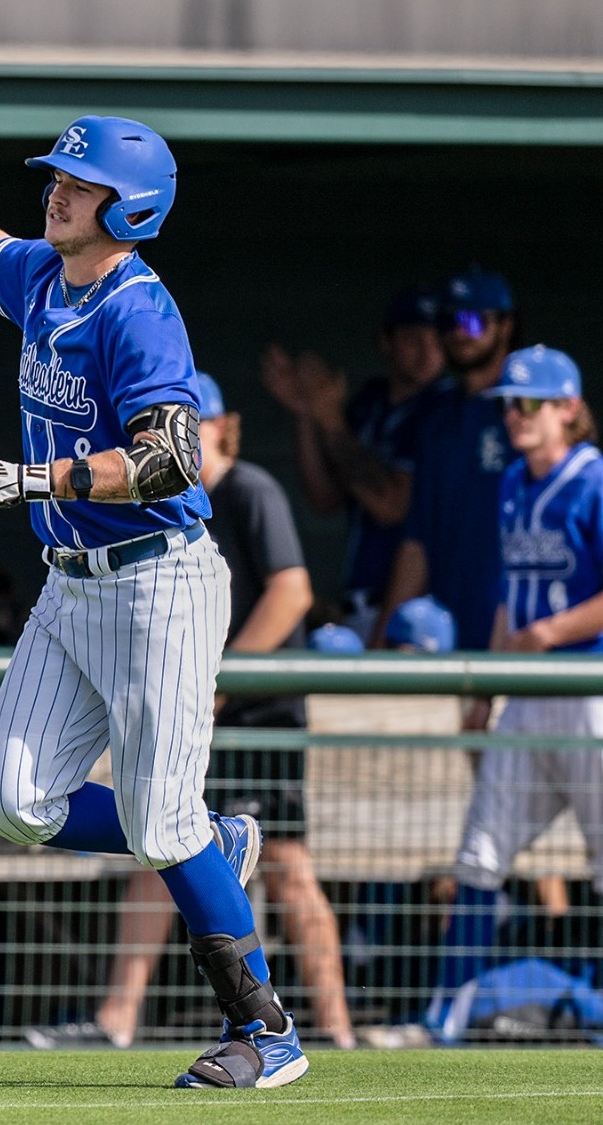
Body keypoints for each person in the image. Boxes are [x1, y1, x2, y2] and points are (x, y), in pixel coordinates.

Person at [0, 34, 306, 1087]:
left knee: (156, 819)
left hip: (158, 579)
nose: (58, 195)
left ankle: (265, 1034)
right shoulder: (44, 279)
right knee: (13, 804)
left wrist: (33, 481)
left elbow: (170, 461)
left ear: (130, 208)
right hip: (71, 586)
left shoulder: (138, 308)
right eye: (59, 178)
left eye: (81, 186)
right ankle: (208, 837)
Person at [28, 374, 354, 1052]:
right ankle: (117, 1017)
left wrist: (219, 678)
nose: (182, 438)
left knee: (290, 865)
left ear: (222, 425)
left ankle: (339, 1028)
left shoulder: (250, 489)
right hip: (195, 697)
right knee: (161, 844)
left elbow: (292, 593)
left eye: (194, 424)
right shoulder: (160, 501)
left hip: (257, 712)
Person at [427, 345, 603, 1044]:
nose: (514, 415)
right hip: (528, 694)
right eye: (508, 403)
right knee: (481, 853)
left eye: (528, 403)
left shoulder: (593, 480)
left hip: (588, 687)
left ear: (567, 409)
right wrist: (492, 679)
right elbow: (507, 599)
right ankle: (450, 1012)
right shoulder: (511, 484)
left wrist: (549, 632)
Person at [261, 287, 445, 640]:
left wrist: (329, 421)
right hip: (359, 600)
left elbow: (391, 505)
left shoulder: (441, 408)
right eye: (412, 337)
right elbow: (324, 498)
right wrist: (306, 416)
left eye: (436, 337)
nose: (427, 350)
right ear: (386, 342)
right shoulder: (372, 403)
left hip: (415, 610)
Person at [374, 269, 520, 661]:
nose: (460, 332)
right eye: (449, 321)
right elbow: (416, 540)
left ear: (505, 326)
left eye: (473, 320)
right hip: (444, 632)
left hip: (516, 630)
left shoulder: (526, 415)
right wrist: (381, 639)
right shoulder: (438, 421)